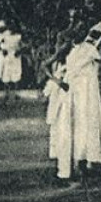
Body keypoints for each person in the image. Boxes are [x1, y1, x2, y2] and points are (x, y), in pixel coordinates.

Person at [65, 24, 101, 182]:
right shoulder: (72, 50)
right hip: (75, 92)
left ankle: (88, 161)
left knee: (88, 124)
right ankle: (77, 162)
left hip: (87, 91)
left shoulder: (89, 48)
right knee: (76, 125)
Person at [42, 57, 74, 185]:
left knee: (68, 137)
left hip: (70, 99)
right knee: (62, 137)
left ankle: (68, 171)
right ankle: (63, 172)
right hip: (61, 104)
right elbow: (44, 66)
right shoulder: (59, 65)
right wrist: (57, 81)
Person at [0, 21, 25, 94]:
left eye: (13, 27)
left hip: (15, 56)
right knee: (6, 72)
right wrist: (3, 50)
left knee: (16, 72)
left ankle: (16, 91)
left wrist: (18, 51)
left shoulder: (18, 36)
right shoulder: (4, 35)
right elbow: (0, 44)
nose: (11, 29)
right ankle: (7, 91)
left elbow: (22, 46)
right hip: (7, 55)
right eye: (10, 27)